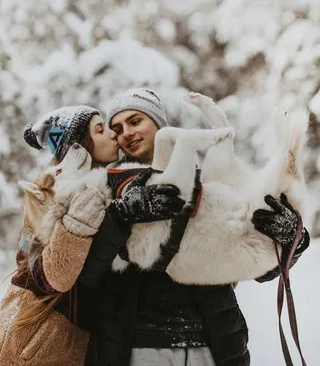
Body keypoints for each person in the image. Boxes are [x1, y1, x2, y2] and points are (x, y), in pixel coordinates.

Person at [78, 88, 310, 366]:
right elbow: (88, 273)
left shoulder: (203, 186)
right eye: (117, 128)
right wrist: (122, 217)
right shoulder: (106, 191)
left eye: (135, 121)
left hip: (214, 345)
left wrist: (289, 242)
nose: (126, 132)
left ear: (159, 125)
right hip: (140, 347)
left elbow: (247, 258)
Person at [2, 105, 185, 366]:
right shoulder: (52, 192)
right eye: (101, 130)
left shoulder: (114, 185)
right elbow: (50, 275)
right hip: (34, 342)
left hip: (82, 344)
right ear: (79, 147)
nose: (113, 135)